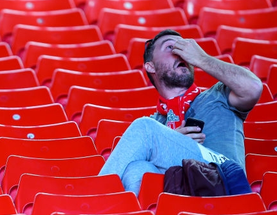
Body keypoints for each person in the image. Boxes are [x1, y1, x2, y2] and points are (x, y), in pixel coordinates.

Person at [99, 29, 263, 194]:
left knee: (143, 127)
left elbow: (253, 87)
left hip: (224, 179)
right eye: (171, 47)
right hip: (183, 192)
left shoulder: (218, 95)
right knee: (138, 169)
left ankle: (94, 199)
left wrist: (201, 58)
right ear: (150, 66)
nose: (180, 53)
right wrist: (175, 140)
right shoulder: (157, 124)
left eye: (184, 47)